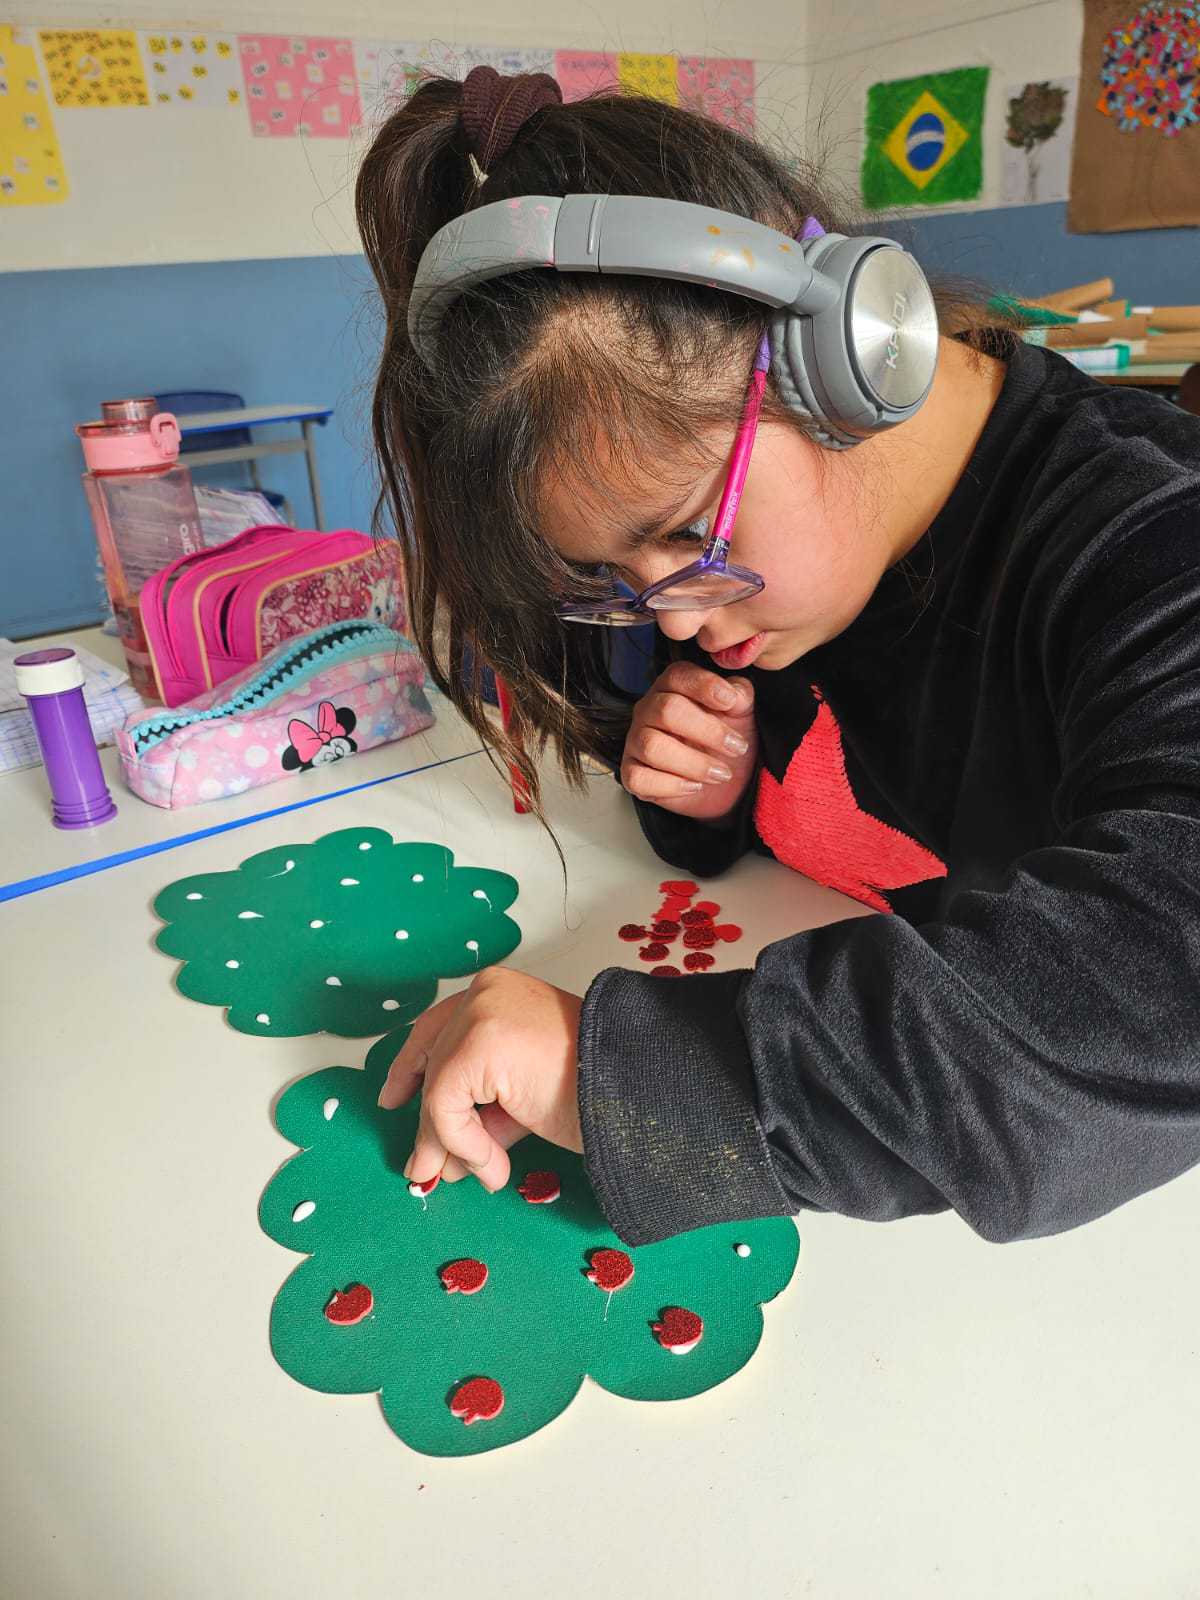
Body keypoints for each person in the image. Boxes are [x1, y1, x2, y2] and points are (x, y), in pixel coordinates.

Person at [362, 66, 1200, 1247]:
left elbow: (1153, 988)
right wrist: (718, 798)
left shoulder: (1152, 540)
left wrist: (637, 1071)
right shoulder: (773, 574)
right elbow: (814, 814)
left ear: (840, 356)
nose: (673, 619)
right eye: (617, 574)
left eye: (684, 535)